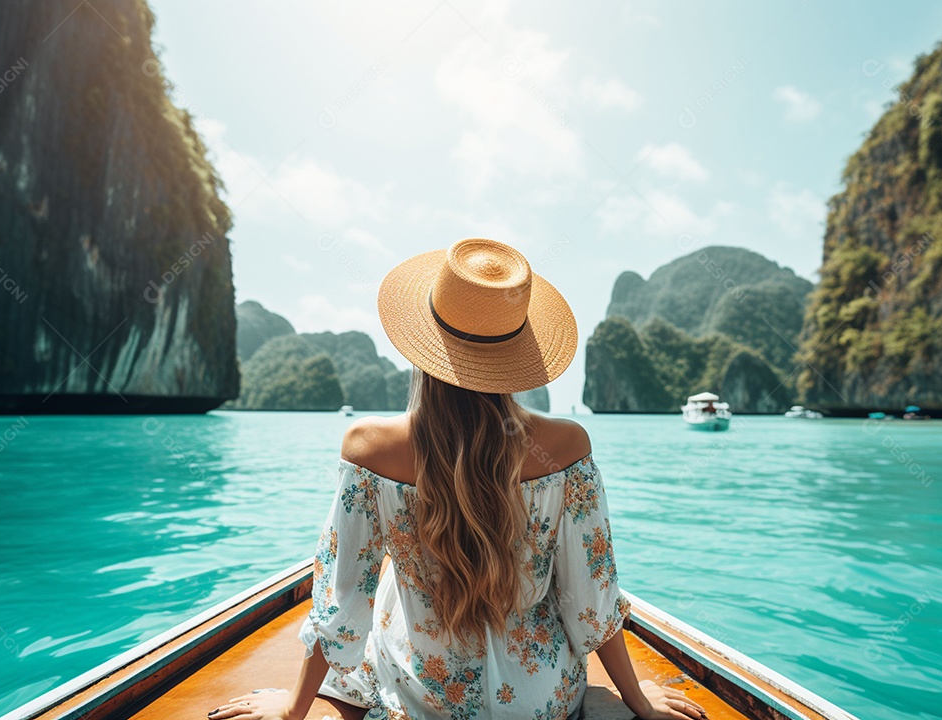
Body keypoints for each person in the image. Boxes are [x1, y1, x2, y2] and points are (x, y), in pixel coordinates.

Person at [207, 239, 706, 720]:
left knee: (384, 580)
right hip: (541, 700)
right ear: (518, 350)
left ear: (424, 342)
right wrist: (636, 698)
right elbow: (591, 596)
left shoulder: (370, 448)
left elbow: (342, 598)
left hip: (429, 697)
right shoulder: (567, 447)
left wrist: (294, 709)